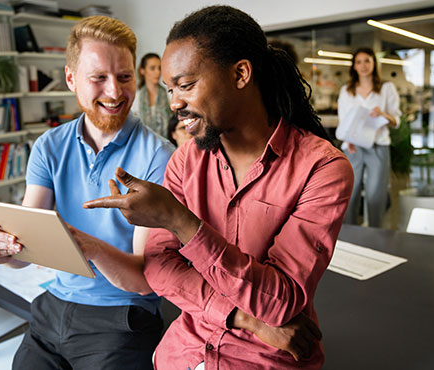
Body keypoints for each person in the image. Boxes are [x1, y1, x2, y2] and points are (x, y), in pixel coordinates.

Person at [83, 5, 354, 370]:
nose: (175, 102)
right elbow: (160, 267)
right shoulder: (186, 161)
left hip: (266, 359)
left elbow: (280, 302)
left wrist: (180, 221)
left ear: (241, 74)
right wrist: (245, 318)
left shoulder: (322, 168)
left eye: (186, 85)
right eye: (169, 89)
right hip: (184, 352)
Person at [0, 16, 175, 370]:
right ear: (70, 79)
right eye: (99, 78)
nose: (114, 92)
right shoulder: (49, 146)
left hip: (122, 315)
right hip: (53, 306)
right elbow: (26, 250)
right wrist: (1, 249)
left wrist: (90, 247)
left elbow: (145, 281)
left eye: (124, 77)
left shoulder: (159, 156)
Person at [337, 47, 401, 227]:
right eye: (359, 62)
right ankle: (350, 237)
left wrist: (383, 115)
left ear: (374, 63)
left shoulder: (387, 88)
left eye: (367, 61)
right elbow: (344, 122)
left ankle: (376, 236)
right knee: (350, 193)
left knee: (375, 195)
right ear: (354, 67)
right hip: (352, 148)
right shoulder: (346, 91)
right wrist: (348, 140)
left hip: (378, 147)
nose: (363, 65)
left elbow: (397, 121)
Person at [133, 52, 172, 136]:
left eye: (159, 68)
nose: (157, 72)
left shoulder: (169, 94)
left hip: (167, 144)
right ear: (142, 71)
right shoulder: (136, 98)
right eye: (152, 68)